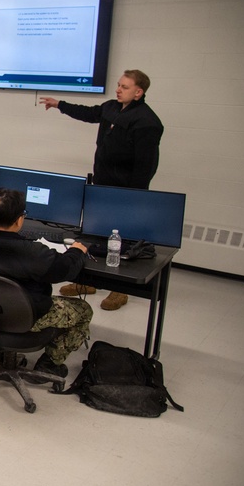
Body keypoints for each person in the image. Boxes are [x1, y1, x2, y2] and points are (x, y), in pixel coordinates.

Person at [40, 69, 162, 310]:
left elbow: (146, 166)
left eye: (124, 87)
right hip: (102, 184)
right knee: (95, 235)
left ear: (139, 92)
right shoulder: (112, 108)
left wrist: (132, 198)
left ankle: (120, 289)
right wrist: (59, 104)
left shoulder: (148, 122)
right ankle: (88, 281)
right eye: (118, 85)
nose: (118, 89)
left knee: (121, 240)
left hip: (126, 191)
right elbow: (90, 113)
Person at [0, 188, 94, 377]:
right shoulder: (33, 252)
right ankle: (51, 363)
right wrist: (76, 251)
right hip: (26, 318)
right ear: (19, 219)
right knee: (83, 310)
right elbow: (66, 269)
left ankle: (4, 354)